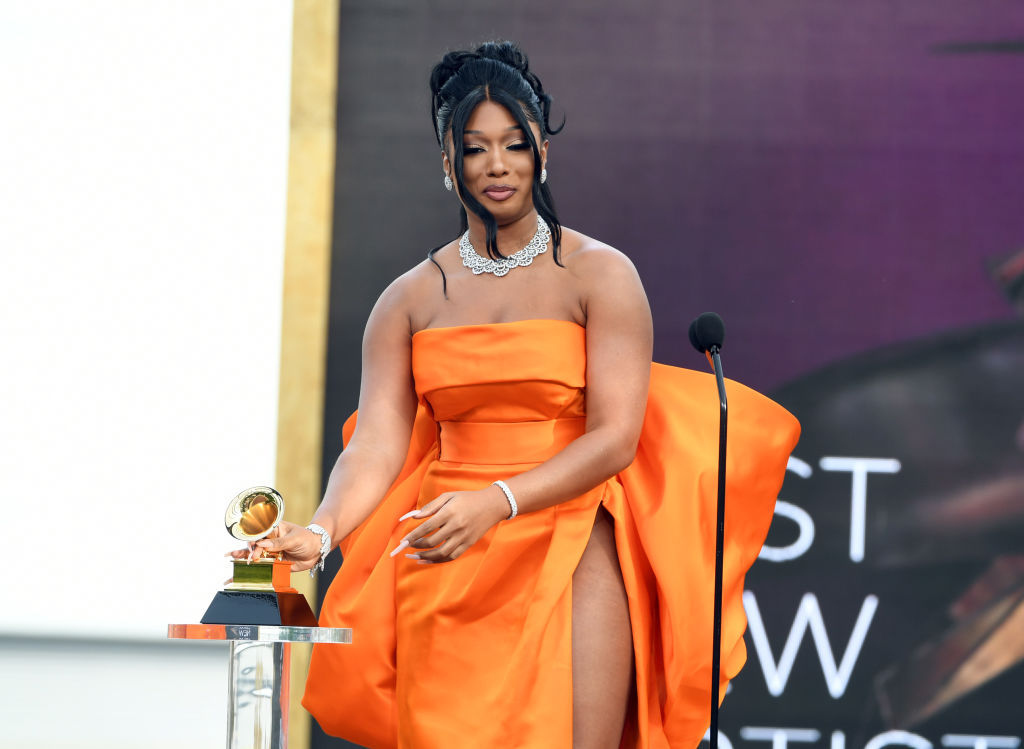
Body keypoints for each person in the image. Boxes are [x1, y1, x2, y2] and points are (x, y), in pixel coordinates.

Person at [238, 41, 799, 749]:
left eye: (514, 144)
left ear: (541, 151)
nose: (497, 165)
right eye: (475, 149)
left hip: (569, 536)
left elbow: (614, 438)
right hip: (442, 544)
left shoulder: (600, 275)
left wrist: (497, 500)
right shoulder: (407, 299)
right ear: (448, 162)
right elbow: (377, 441)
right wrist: (319, 533)